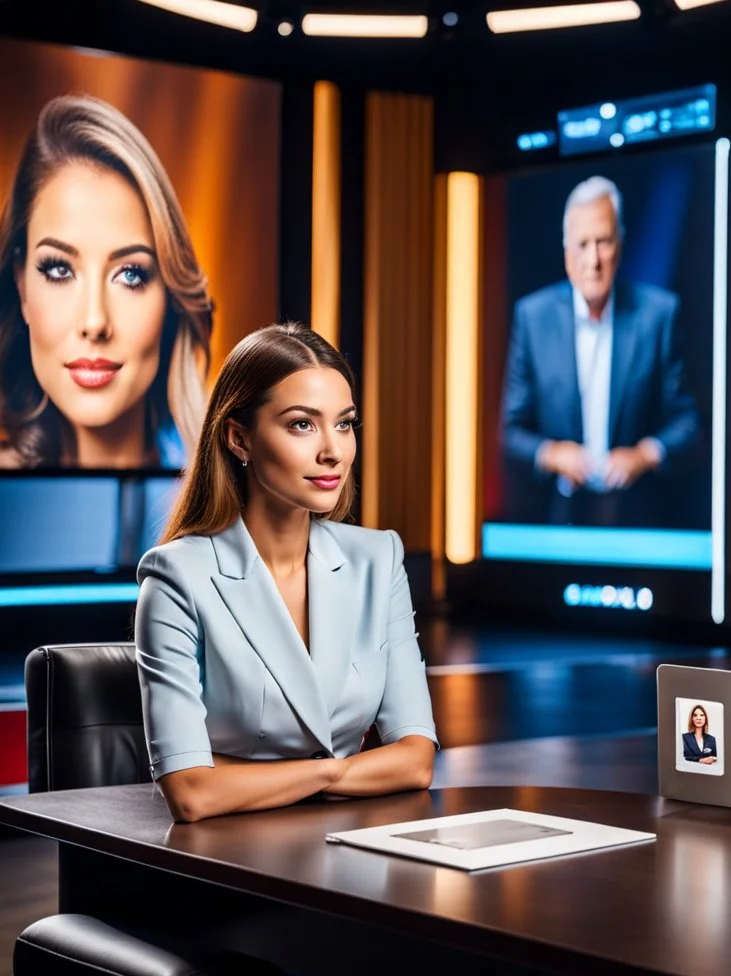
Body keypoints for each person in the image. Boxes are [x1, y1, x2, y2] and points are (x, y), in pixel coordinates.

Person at [134, 322, 437, 824]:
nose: (333, 451)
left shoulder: (378, 560)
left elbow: (416, 760)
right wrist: (336, 772)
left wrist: (242, 774)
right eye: (302, 424)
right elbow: (191, 793)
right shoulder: (176, 579)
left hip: (350, 849)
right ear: (238, 438)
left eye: (344, 424)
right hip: (225, 863)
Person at [0, 93, 212, 469]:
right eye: (59, 270)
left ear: (170, 296)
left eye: (130, 274)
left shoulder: (240, 501)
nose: (95, 322)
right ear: (21, 285)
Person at [499, 174, 697, 526]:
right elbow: (511, 432)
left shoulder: (660, 314)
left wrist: (643, 455)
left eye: (603, 241)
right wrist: (553, 454)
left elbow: (688, 423)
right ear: (566, 254)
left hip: (640, 519)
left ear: (620, 246)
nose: (593, 260)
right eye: (582, 244)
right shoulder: (533, 317)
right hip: (556, 518)